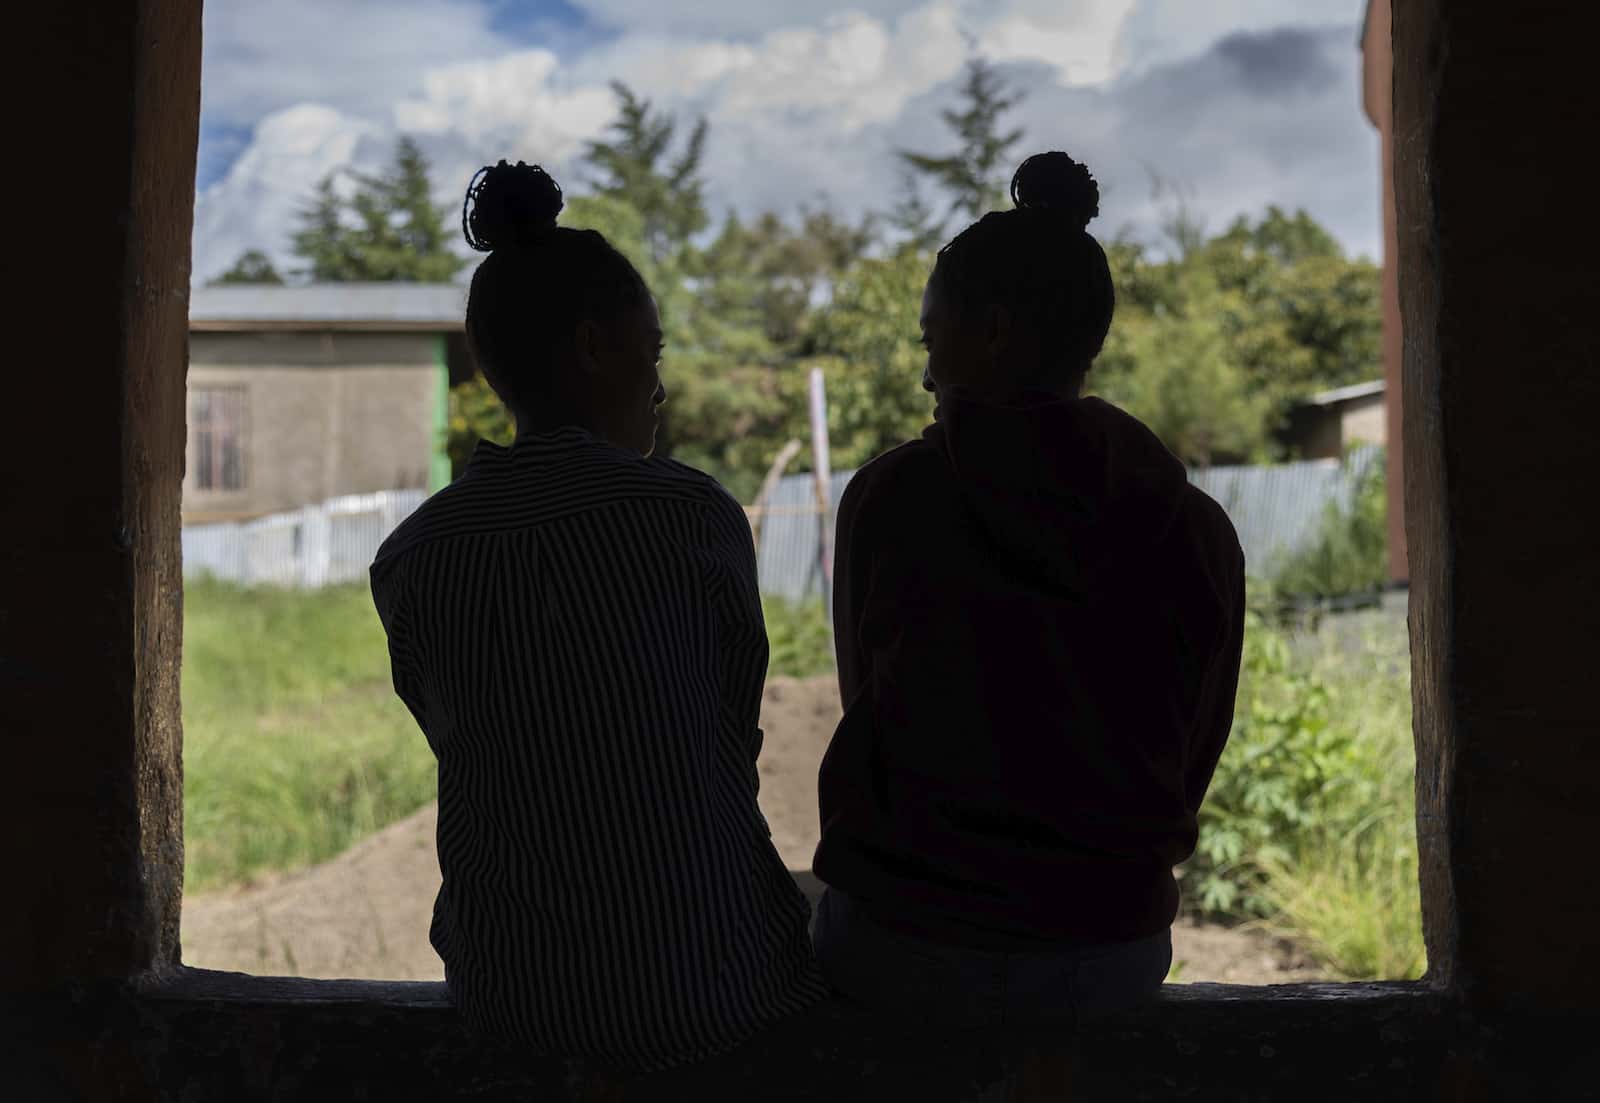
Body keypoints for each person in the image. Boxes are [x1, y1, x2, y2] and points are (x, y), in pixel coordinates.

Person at [369, 160, 826, 1071]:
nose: (659, 388)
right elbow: (729, 739)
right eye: (649, 355)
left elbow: (470, 741)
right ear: (592, 346)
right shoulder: (691, 515)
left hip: (511, 993)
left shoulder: (413, 557)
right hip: (717, 986)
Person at [810, 152, 1247, 1030]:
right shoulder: (1195, 526)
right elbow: (1192, 753)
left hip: (908, 949)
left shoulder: (890, 500)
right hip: (1111, 954)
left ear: (996, 332)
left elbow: (871, 716)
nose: (928, 375)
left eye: (934, 341)